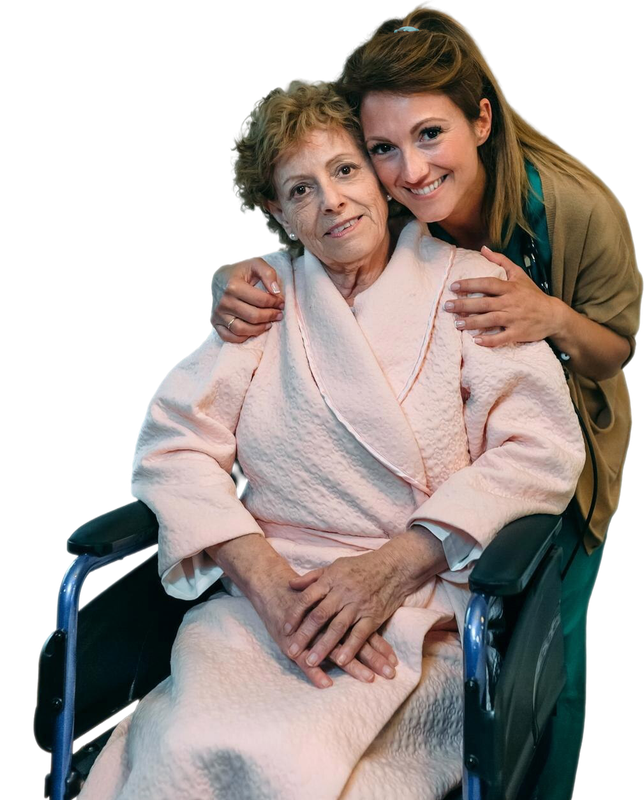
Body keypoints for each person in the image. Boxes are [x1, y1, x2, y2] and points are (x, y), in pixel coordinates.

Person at [78, 78, 584, 800]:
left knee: (307, 769)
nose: (333, 201)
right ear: (278, 214)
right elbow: (171, 446)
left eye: (345, 171)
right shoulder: (265, 301)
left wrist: (399, 564)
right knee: (188, 750)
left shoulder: (469, 288)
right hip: (267, 603)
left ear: (379, 180)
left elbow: (539, 448)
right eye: (301, 190)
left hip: (420, 608)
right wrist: (259, 574)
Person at [210, 6, 642, 798]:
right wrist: (228, 277)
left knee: (552, 652)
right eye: (381, 149)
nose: (408, 171)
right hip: (431, 471)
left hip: (565, 419)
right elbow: (312, 219)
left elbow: (616, 350)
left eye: (431, 136)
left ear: (481, 120)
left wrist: (552, 318)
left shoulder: (577, 209)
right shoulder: (386, 197)